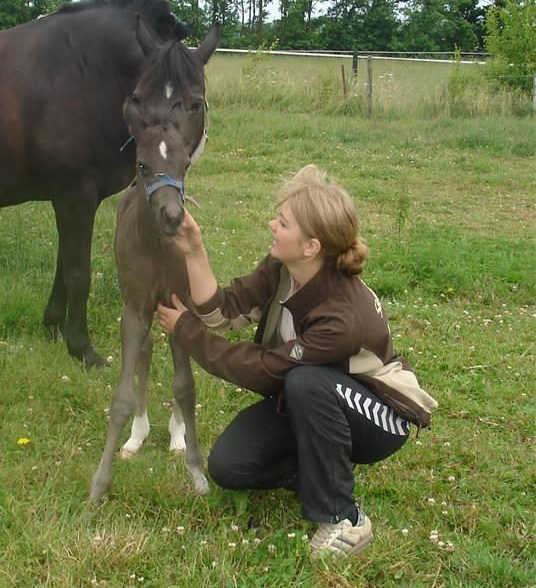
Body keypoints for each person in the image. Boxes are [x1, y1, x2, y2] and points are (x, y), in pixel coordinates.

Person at [156, 164, 437, 557]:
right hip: (317, 398)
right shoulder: (284, 268)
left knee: (306, 382)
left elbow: (265, 369)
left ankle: (345, 519)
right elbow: (226, 310)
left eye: (283, 222)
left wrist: (187, 331)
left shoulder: (341, 319)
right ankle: (319, 466)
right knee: (229, 466)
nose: (272, 225)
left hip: (380, 414)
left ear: (311, 247)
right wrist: (194, 250)